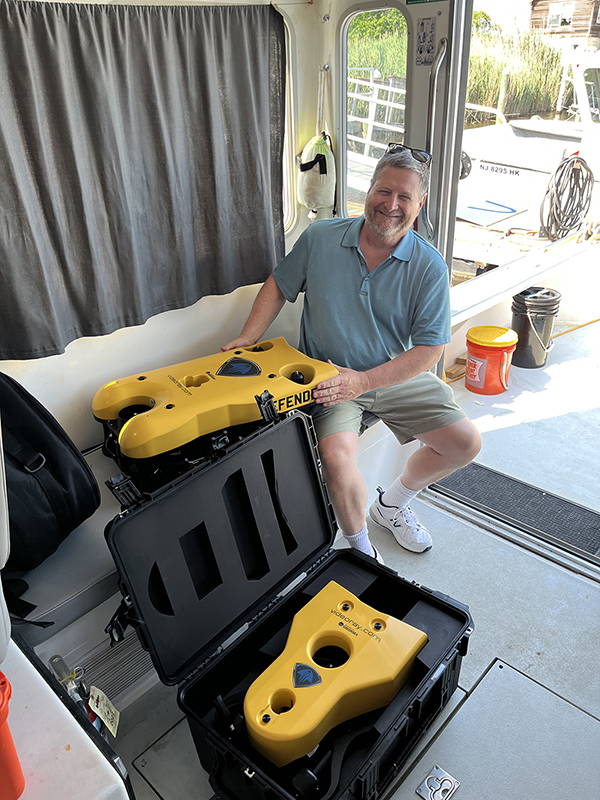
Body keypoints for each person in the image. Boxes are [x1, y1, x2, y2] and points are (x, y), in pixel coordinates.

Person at [222, 144, 481, 560]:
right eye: (384, 191)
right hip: (328, 379)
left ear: (420, 204)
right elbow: (278, 285)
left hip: (394, 376)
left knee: (465, 443)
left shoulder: (430, 267)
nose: (391, 205)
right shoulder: (320, 238)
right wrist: (248, 338)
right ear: (370, 188)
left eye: (404, 197)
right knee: (336, 460)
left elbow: (431, 348)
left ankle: (392, 505)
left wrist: (365, 380)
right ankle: (362, 552)